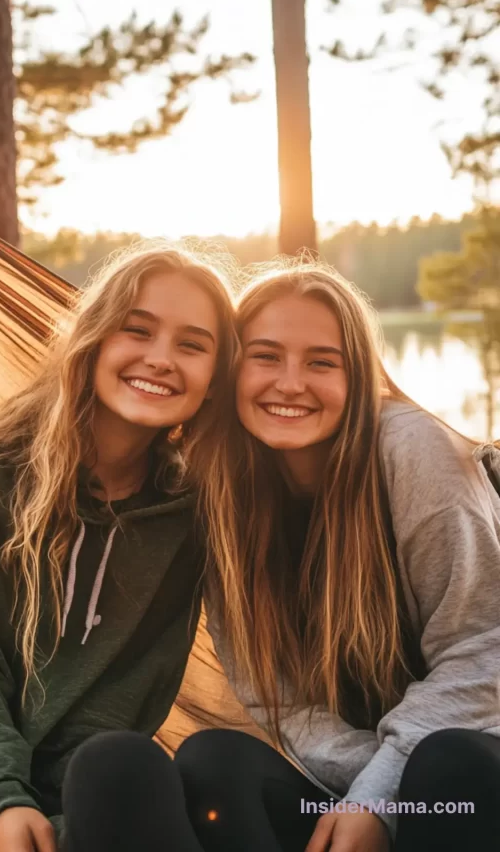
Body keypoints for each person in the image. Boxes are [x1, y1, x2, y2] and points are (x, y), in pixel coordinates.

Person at [65, 260, 500, 852]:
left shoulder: (410, 449)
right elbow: (284, 703)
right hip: (367, 777)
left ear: (359, 377)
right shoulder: (221, 493)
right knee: (213, 762)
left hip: (469, 772)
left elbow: (482, 657)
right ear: (230, 373)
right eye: (265, 356)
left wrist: (383, 794)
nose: (290, 383)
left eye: (321, 362)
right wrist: (368, 792)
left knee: (447, 764)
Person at [0, 244, 238, 852]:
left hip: (96, 794)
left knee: (203, 772)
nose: (161, 359)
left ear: (216, 379)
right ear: (91, 338)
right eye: (137, 329)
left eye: (193, 345)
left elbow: (124, 697)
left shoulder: (189, 516)